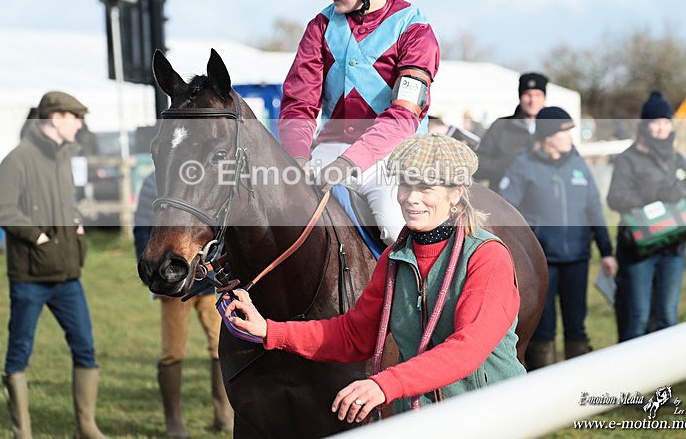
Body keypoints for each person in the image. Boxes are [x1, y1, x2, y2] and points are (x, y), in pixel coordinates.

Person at [222, 133, 525, 419]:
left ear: (456, 194)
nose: (410, 198)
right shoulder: (394, 258)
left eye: (426, 188)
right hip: (420, 421)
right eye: (405, 185)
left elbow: (466, 349)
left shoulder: (487, 257)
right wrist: (270, 331)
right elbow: (354, 335)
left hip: (491, 417)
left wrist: (385, 384)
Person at [278, 0, 440, 245]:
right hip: (329, 150)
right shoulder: (319, 28)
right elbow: (299, 104)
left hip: (395, 155)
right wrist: (296, 157)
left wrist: (348, 162)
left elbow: (403, 117)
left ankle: (419, 294)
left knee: (396, 229)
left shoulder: (415, 31)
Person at [0, 91, 106, 438]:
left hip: (69, 275)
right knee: (19, 351)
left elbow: (60, 202)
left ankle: (85, 426)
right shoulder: (19, 158)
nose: (80, 123)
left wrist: (75, 219)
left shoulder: (64, 156)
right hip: (30, 276)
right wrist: (39, 237)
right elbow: (0, 208)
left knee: (85, 348)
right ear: (55, 118)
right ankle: (21, 431)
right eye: (75, 116)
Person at [499, 107, 617, 370]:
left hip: (578, 258)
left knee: (576, 324)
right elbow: (506, 210)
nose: (570, 136)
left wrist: (606, 251)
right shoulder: (523, 166)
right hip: (541, 263)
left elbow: (594, 209)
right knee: (543, 328)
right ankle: (544, 386)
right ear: (548, 135)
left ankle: (577, 386)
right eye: (565, 131)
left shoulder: (579, 165)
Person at [133, 172, 233, 436]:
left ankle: (224, 412)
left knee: (219, 347)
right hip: (171, 283)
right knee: (172, 351)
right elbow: (143, 228)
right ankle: (173, 420)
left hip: (209, 282)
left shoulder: (206, 177)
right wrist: (155, 275)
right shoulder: (153, 182)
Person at [607, 91, 686, 342]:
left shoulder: (676, 158)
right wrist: (653, 196)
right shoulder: (628, 158)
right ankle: (633, 378)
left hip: (673, 248)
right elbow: (615, 197)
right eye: (655, 122)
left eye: (664, 122)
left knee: (668, 317)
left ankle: (665, 378)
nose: (660, 128)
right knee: (637, 316)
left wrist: (676, 192)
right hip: (639, 248)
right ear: (645, 125)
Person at [476, 72, 548, 192]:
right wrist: (509, 164)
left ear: (544, 98)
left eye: (538, 95)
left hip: (543, 201)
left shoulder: (554, 127)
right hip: (506, 203)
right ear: (520, 97)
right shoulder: (501, 126)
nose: (533, 101)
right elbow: (479, 165)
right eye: (528, 95)